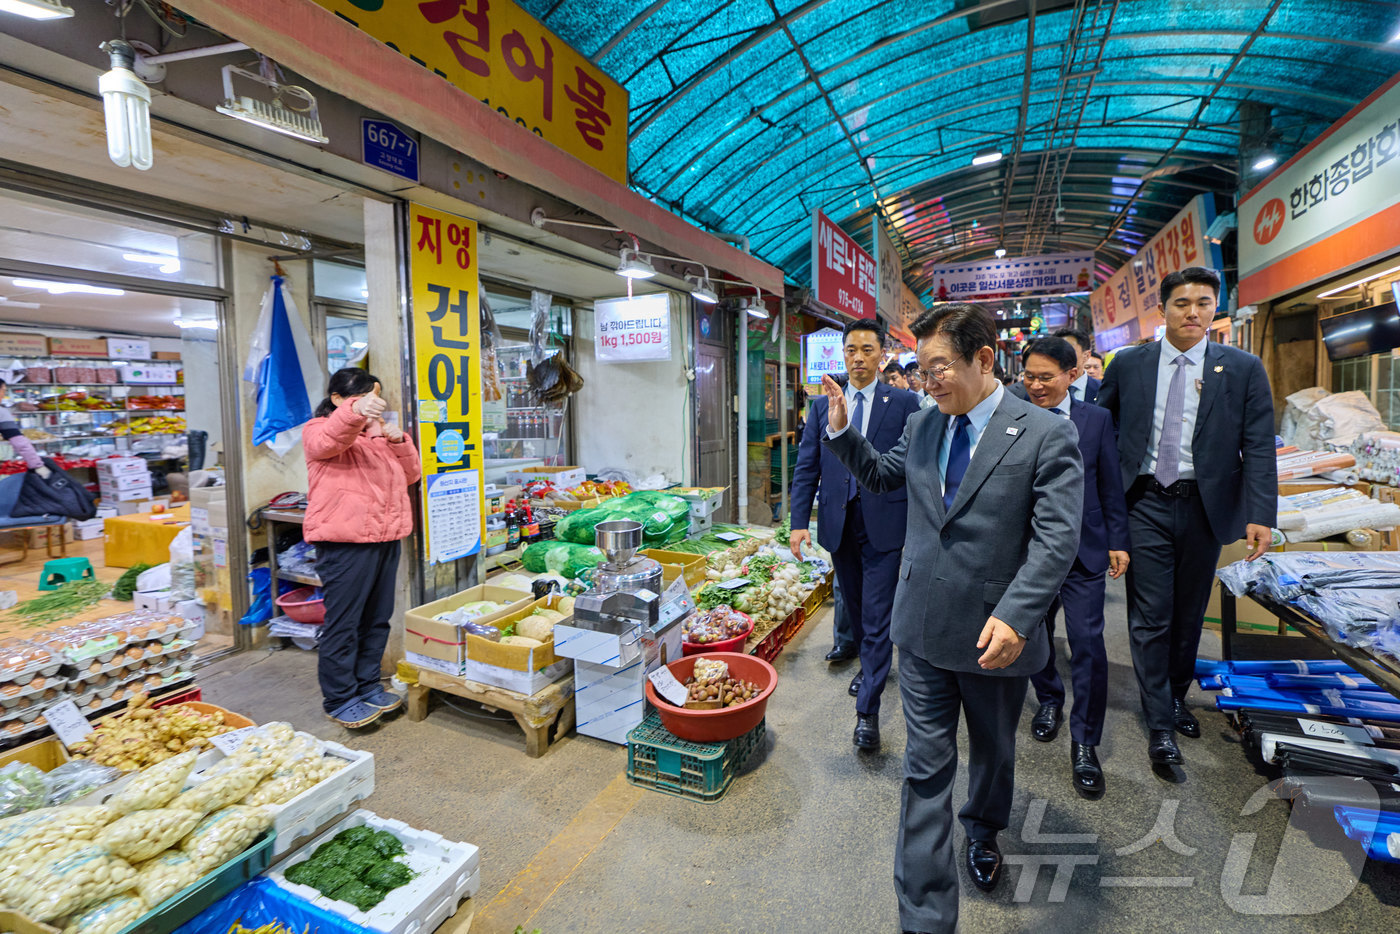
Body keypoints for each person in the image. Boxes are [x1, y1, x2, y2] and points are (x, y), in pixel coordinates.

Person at [822, 305, 1082, 932]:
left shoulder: (1045, 434)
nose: (928, 378)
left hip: (997, 634)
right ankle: (925, 917)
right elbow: (885, 477)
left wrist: (1019, 616)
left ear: (985, 359)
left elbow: (1056, 539)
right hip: (921, 627)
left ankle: (985, 829)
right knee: (924, 767)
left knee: (992, 755)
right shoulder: (925, 423)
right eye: (923, 367)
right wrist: (843, 434)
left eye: (940, 367)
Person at [1097, 267, 1276, 768]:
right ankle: (1159, 722)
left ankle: (1176, 694)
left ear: (1214, 308)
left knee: (1188, 612)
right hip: (1145, 502)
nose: (1192, 312)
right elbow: (1100, 430)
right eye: (1181, 303)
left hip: (1205, 505)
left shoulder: (1241, 368)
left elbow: (1259, 445)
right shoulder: (1129, 364)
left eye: (1202, 302)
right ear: (1163, 310)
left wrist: (1261, 513)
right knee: (1150, 614)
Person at [790, 320, 921, 750]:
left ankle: (868, 712)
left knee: (878, 617)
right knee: (858, 608)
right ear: (842, 354)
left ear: (882, 355)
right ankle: (869, 666)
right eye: (851, 350)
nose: (858, 358)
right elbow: (807, 465)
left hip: (885, 524)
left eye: (867, 350)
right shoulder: (823, 403)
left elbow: (912, 469)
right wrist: (796, 523)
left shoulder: (904, 403)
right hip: (838, 523)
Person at [1020, 338, 1130, 797]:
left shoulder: (1096, 419)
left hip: (1084, 551)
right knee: (1032, 637)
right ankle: (1049, 699)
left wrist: (1118, 542)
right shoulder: (1014, 416)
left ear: (1072, 374)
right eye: (1029, 376)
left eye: (1046, 377)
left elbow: (1109, 484)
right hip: (1028, 551)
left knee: (1087, 646)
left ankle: (1085, 742)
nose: (1036, 386)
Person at [304, 367, 423, 729]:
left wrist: (398, 440)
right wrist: (355, 413)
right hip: (345, 545)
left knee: (377, 619)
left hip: (386, 538)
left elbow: (412, 476)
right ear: (337, 399)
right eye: (360, 398)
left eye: (374, 397)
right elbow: (329, 441)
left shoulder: (378, 439)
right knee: (344, 623)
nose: (370, 405)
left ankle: (368, 685)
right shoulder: (318, 431)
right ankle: (340, 698)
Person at [0, 380, 50, 479]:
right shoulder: (2, 412)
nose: (4, 394)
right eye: (3, 390)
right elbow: (19, 441)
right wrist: (37, 465)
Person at [1051, 325, 1101, 404]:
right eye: (1057, 351)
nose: (1062, 355)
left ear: (1086, 355)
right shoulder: (1043, 389)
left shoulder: (1101, 390)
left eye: (1069, 350)